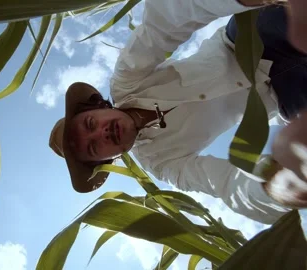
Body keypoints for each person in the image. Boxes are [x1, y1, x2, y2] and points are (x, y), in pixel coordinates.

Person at [48, 0, 307, 224]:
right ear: (107, 161)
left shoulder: (128, 78)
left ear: (99, 107)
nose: (101, 133)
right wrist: (275, 192)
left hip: (252, 39)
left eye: (91, 123)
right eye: (94, 148)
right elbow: (225, 184)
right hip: (288, 98)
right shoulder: (162, 162)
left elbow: (163, 23)